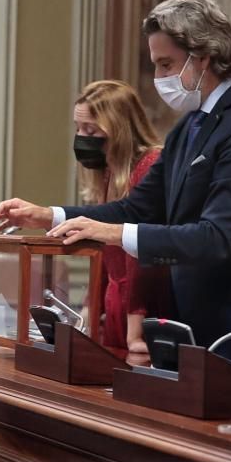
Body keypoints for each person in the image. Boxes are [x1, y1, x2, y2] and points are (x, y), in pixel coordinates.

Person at [0, 0, 231, 361]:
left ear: (203, 56)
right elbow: (139, 207)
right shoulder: (192, 124)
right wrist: (49, 216)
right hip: (206, 332)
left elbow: (218, 238)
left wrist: (114, 234)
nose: (160, 79)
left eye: (166, 65)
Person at [72, 80, 166, 352]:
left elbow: (141, 252)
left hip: (144, 303)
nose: (81, 136)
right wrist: (88, 314)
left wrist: (135, 330)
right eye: (78, 128)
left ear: (118, 127)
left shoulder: (149, 165)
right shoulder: (109, 172)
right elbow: (102, 250)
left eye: (90, 129)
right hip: (117, 301)